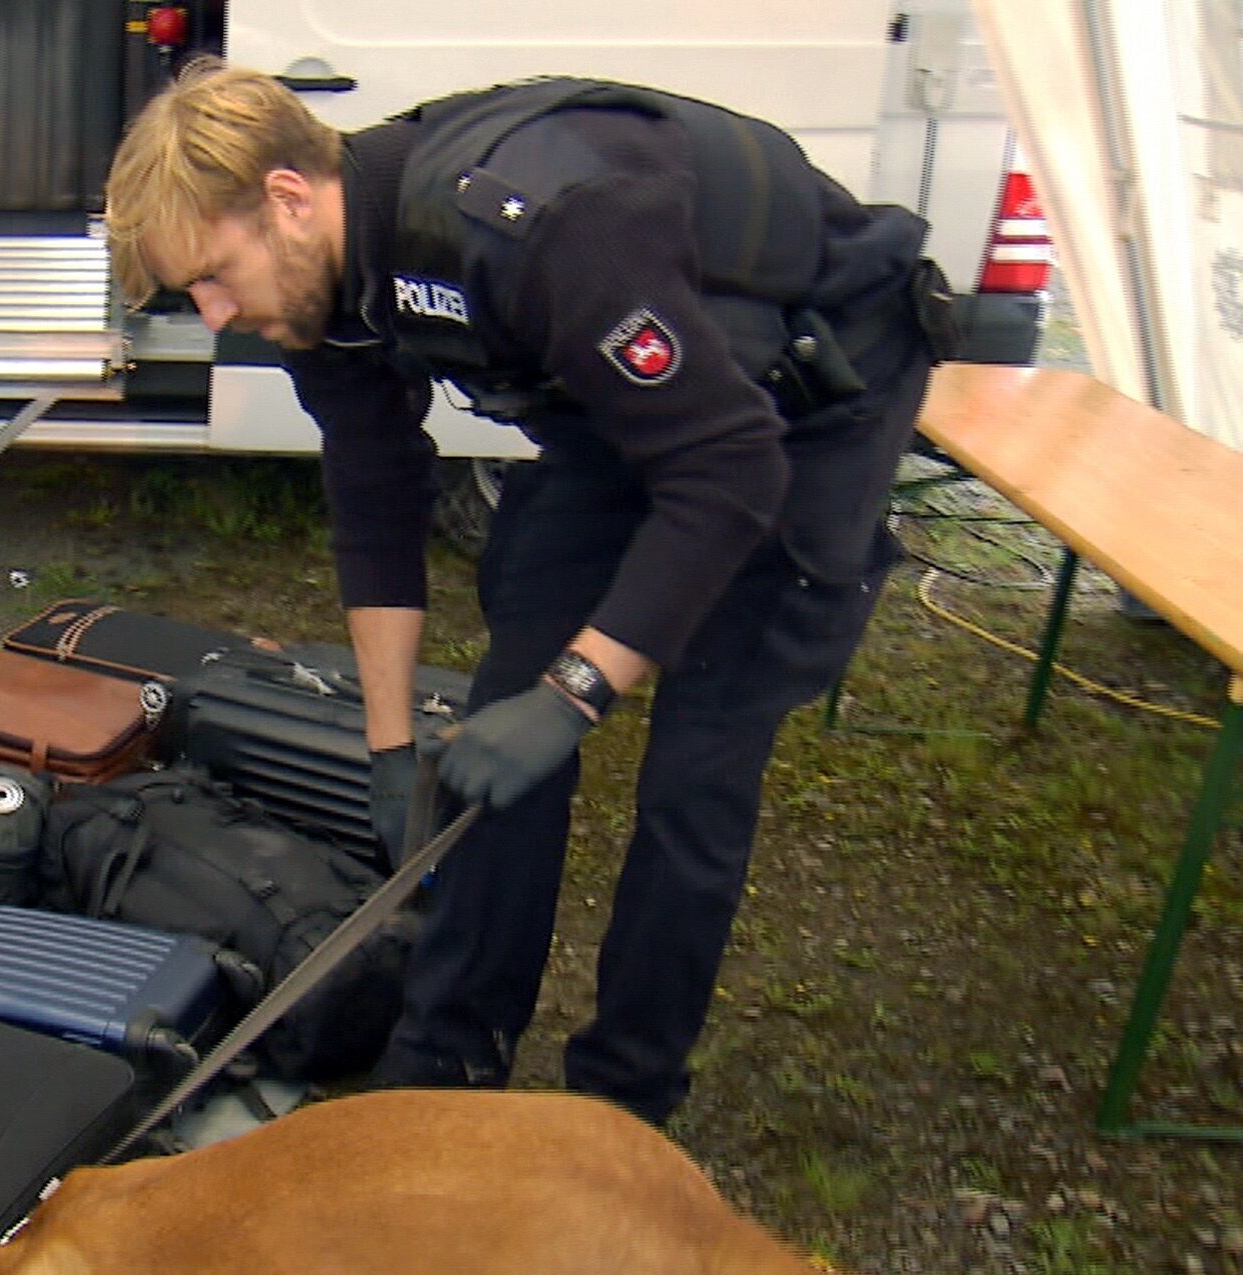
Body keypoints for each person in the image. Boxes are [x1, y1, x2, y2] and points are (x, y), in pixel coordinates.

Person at [104, 61, 960, 1126]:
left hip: (806, 399)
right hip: (627, 413)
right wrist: (388, 748)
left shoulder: (539, 223)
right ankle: (450, 1062)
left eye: (215, 276)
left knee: (696, 766)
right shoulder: (328, 287)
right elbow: (374, 489)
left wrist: (577, 695)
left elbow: (730, 470)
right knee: (490, 742)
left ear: (285, 199)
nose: (217, 312)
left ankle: (620, 1108)